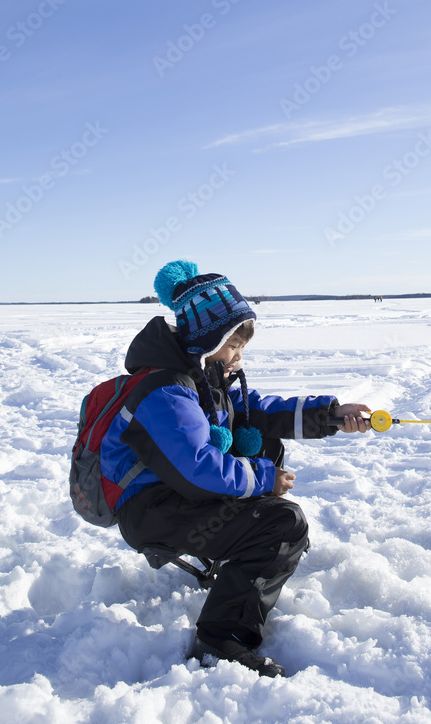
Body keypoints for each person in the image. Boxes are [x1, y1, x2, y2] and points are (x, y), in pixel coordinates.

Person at [101, 260, 370, 677]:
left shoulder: (205, 377)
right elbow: (195, 466)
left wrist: (331, 415)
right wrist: (263, 478)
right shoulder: (166, 391)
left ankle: (243, 554)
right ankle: (222, 641)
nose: (238, 359)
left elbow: (259, 411)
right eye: (232, 347)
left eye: (242, 349)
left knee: (264, 442)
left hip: (174, 497)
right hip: (152, 510)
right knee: (283, 523)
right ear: (205, 341)